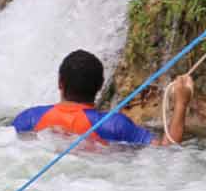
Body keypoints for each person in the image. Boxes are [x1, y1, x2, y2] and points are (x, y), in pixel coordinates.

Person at [12, 49, 194, 147]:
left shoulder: (30, 118)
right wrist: (181, 103)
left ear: (60, 83)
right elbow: (167, 150)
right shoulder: (114, 125)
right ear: (100, 86)